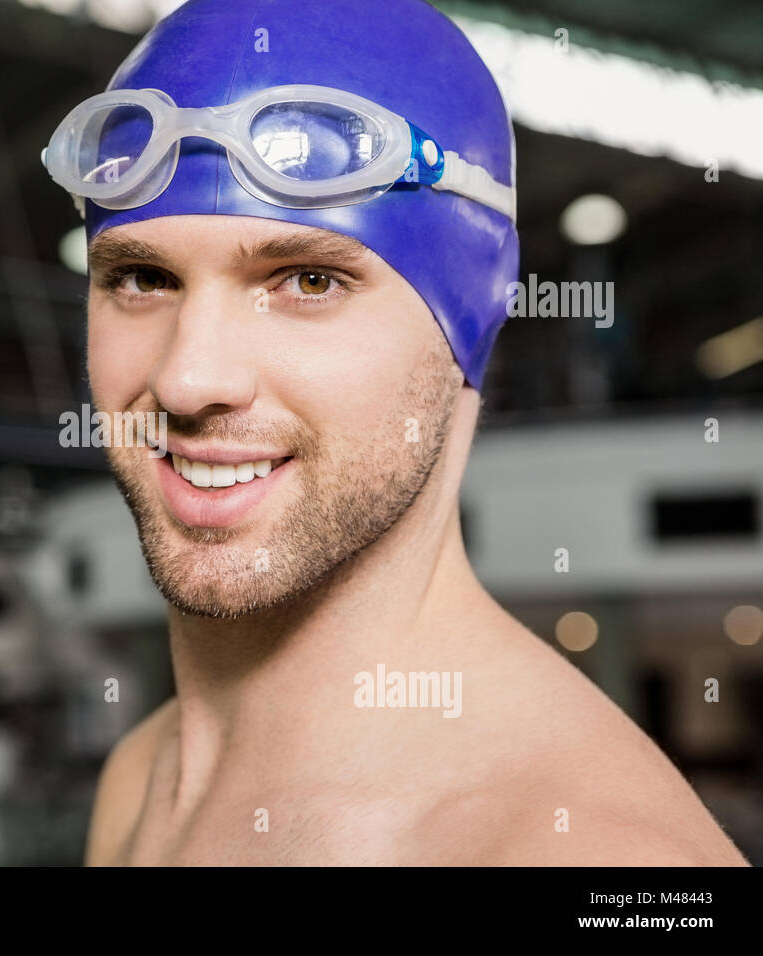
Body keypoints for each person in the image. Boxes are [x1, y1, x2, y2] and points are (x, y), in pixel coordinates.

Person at [43, 0, 747, 865]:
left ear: (475, 311)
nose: (189, 378)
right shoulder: (143, 775)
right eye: (143, 276)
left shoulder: (588, 856)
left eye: (306, 281)